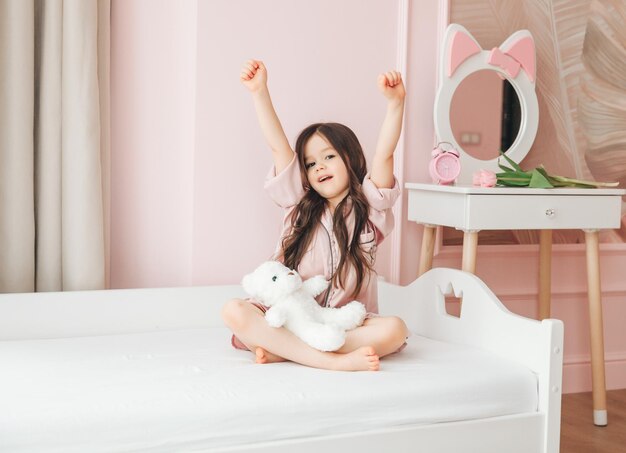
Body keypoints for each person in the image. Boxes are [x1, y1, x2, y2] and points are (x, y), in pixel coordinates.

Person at [221, 59, 408, 371]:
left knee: (395, 329)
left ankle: (286, 350)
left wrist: (395, 104)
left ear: (352, 160)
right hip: (288, 316)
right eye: (310, 163)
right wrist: (259, 93)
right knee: (234, 311)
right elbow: (278, 148)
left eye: (329, 156)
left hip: (341, 321)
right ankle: (331, 360)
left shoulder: (371, 210)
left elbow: (384, 154)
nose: (319, 166)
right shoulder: (298, 206)